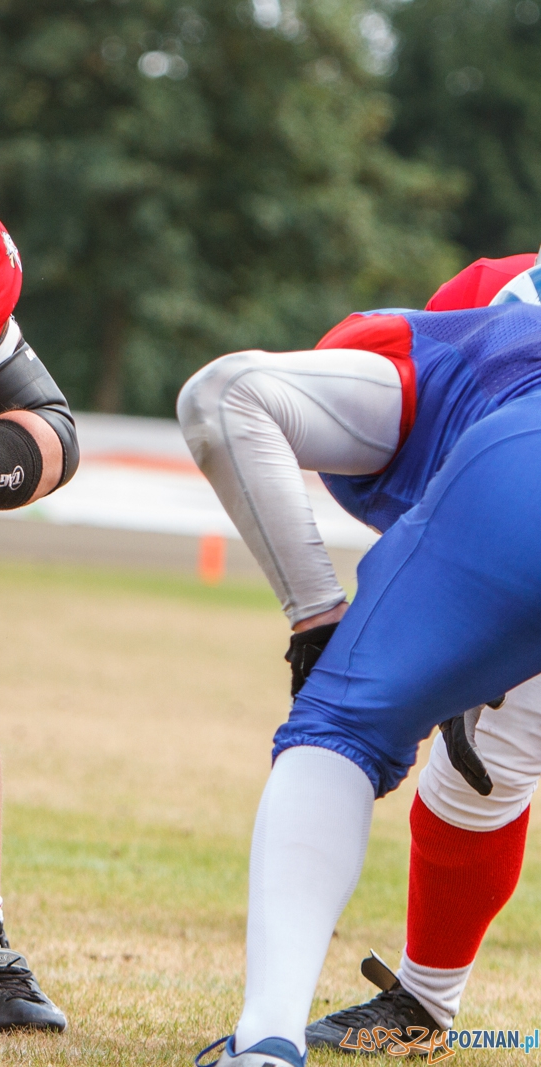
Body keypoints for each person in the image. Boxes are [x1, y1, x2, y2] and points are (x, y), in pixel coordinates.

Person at [178, 254, 541, 1065]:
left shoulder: (450, 349)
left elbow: (226, 397)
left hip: (524, 466)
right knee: (489, 768)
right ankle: (424, 1000)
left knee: (339, 726)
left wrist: (315, 620)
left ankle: (266, 1038)